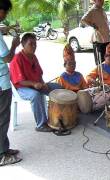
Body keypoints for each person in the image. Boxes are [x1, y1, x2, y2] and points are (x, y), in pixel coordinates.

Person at [10, 33, 62, 132]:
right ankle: (41, 124)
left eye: (35, 44)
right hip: (21, 88)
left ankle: (58, 117)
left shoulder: (33, 57)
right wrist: (34, 84)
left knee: (58, 88)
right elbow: (20, 81)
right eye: (31, 44)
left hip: (36, 85)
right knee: (35, 95)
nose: (34, 46)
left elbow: (39, 74)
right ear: (23, 44)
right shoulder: (16, 58)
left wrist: (43, 83)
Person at [0, 0, 22, 166]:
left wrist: (7, 29)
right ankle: (1, 155)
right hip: (1, 84)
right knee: (2, 119)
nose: (5, 15)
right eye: (5, 12)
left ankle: (4, 148)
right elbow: (7, 57)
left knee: (3, 118)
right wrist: (14, 44)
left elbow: (2, 29)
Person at [81, 0, 110, 65]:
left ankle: (105, 74)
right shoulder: (92, 10)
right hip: (98, 39)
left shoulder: (102, 10)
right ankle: (99, 74)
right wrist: (92, 25)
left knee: (107, 60)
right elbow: (83, 19)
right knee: (100, 61)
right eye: (100, 0)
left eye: (103, 0)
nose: (102, 1)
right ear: (95, 1)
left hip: (106, 38)